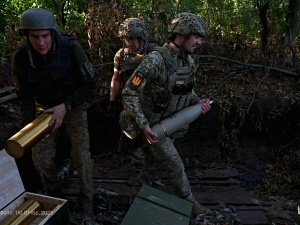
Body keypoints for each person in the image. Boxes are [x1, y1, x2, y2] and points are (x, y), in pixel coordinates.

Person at [121, 12, 214, 217]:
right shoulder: (154, 61)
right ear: (182, 34)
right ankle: (191, 204)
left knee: (153, 166)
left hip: (170, 125)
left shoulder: (187, 61)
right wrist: (143, 124)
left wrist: (196, 101)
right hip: (152, 128)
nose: (199, 42)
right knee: (174, 164)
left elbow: (185, 89)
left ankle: (134, 199)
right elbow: (129, 92)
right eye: (197, 36)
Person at [12, 8, 97, 224]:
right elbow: (25, 98)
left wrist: (66, 105)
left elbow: (89, 83)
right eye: (34, 37)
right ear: (26, 36)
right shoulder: (21, 58)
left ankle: (87, 202)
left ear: (53, 33)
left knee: (82, 156)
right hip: (44, 109)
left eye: (45, 36)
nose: (41, 43)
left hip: (73, 105)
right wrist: (31, 128)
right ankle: (56, 198)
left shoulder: (71, 49)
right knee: (40, 158)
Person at [109, 18, 155, 163]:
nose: (129, 43)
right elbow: (116, 78)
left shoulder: (155, 53)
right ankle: (138, 165)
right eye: (126, 39)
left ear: (142, 38)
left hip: (151, 102)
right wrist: (112, 100)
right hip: (130, 103)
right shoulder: (121, 55)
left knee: (154, 135)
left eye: (133, 39)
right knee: (131, 135)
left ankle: (152, 168)